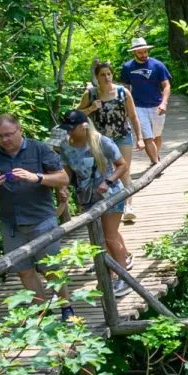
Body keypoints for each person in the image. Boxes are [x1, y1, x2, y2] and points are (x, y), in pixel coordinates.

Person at [0, 113, 71, 312]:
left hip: (41, 219)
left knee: (50, 268)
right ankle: (42, 312)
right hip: (10, 224)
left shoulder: (39, 149)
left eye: (8, 134)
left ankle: (66, 307)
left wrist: (36, 177)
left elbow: (63, 178)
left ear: (20, 131)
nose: (4, 140)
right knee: (24, 270)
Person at [54, 109, 132, 271]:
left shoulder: (102, 142)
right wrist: (63, 187)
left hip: (111, 194)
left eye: (71, 128)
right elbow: (67, 170)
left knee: (109, 236)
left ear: (83, 127)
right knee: (99, 237)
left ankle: (122, 275)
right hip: (87, 197)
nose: (68, 131)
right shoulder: (66, 146)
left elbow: (122, 165)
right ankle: (112, 266)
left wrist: (108, 181)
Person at [78, 59, 137, 224]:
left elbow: (132, 115)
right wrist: (91, 108)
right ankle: (108, 206)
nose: (106, 77)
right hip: (101, 140)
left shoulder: (123, 92)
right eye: (102, 75)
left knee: (124, 170)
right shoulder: (90, 95)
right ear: (96, 77)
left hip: (122, 135)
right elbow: (75, 115)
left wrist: (140, 138)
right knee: (105, 172)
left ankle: (128, 206)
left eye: (109, 74)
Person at [121, 36, 171, 167]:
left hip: (157, 105)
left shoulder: (157, 65)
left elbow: (166, 85)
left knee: (157, 136)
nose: (143, 55)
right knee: (147, 137)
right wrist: (126, 107)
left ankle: (155, 157)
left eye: (145, 52)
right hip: (138, 106)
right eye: (140, 52)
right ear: (134, 52)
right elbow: (126, 88)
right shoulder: (127, 67)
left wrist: (164, 103)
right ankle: (156, 164)